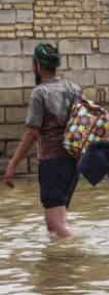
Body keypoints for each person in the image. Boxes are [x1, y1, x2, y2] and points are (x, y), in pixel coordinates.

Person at [3, 43, 82, 238]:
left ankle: (78, 252)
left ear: (36, 65)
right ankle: (61, 265)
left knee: (56, 224)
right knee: (55, 221)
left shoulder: (40, 93)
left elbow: (31, 133)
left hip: (52, 162)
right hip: (73, 161)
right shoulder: (73, 88)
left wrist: (12, 165)